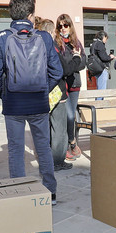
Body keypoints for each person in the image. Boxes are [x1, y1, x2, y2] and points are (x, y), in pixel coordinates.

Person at [0, 0, 63, 202]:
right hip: (39, 103)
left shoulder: (1, 37)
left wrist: (4, 94)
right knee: (43, 147)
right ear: (31, 15)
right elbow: (56, 72)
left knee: (15, 149)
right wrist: (42, 90)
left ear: (12, 13)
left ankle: (19, 194)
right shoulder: (45, 38)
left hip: (13, 104)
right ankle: (51, 192)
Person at [36, 17, 72, 171]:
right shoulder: (52, 48)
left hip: (41, 93)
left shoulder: (35, 47)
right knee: (59, 129)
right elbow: (63, 70)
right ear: (50, 32)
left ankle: (46, 159)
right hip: (57, 93)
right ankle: (57, 161)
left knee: (46, 129)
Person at [54, 14, 86, 161]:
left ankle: (70, 143)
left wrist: (73, 62)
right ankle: (71, 144)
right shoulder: (57, 43)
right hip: (62, 86)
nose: (63, 28)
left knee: (71, 115)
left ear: (70, 26)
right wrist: (74, 59)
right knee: (68, 116)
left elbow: (83, 62)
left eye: (65, 25)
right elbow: (63, 65)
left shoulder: (76, 42)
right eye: (60, 26)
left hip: (75, 84)